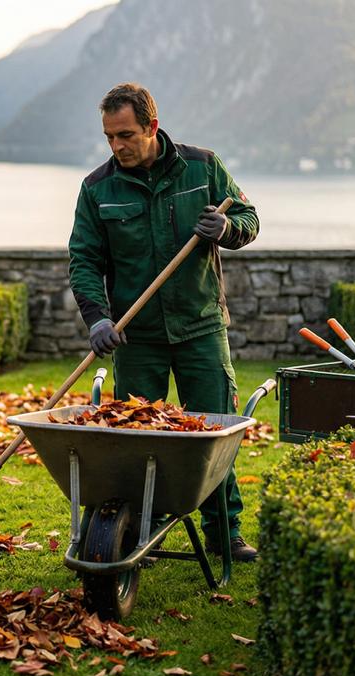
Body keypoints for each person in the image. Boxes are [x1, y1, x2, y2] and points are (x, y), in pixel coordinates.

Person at [68, 83, 260, 562]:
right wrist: (97, 318)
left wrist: (228, 229)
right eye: (109, 137)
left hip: (200, 328)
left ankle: (224, 533)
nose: (117, 146)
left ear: (152, 126)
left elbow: (249, 217)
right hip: (138, 338)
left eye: (126, 135)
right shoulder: (97, 189)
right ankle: (136, 533)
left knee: (213, 437)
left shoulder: (202, 167)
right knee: (135, 441)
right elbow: (84, 260)